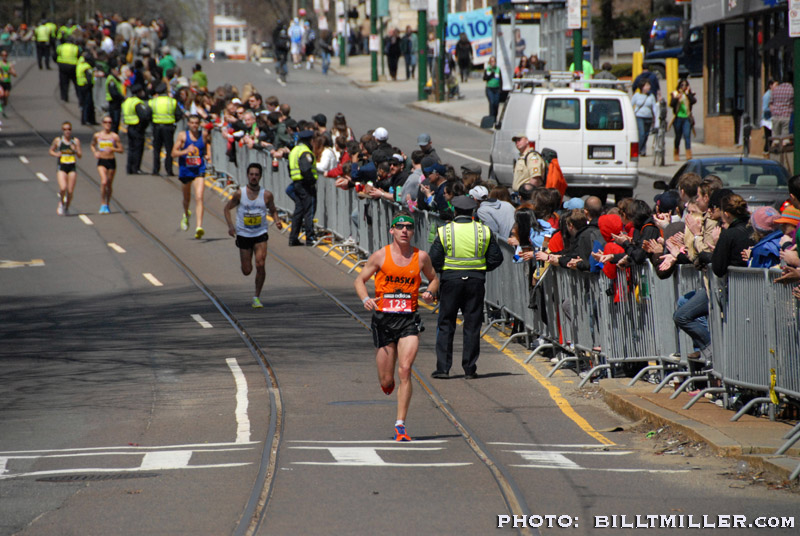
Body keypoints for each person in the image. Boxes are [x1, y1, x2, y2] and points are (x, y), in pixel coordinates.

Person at [354, 211, 439, 441]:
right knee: (387, 380)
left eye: (409, 227)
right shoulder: (380, 256)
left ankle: (400, 425)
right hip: (383, 320)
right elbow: (359, 280)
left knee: (405, 369)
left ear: (413, 232)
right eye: (399, 226)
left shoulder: (420, 257)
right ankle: (387, 384)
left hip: (408, 320)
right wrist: (365, 299)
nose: (404, 230)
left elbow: (434, 277)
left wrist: (430, 292)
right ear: (391, 230)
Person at [430, 195, 503, 379]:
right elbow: (497, 258)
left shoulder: (444, 231)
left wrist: (446, 272)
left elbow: (435, 258)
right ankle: (470, 369)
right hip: (475, 282)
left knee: (446, 323)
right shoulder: (483, 231)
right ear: (473, 212)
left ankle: (443, 369)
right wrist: (479, 269)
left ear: (455, 211)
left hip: (450, 281)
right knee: (472, 324)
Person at [224, 163, 283, 308]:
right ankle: (246, 266)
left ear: (260, 177)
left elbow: (273, 209)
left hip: (260, 233)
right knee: (247, 270)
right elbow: (227, 209)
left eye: (256, 175)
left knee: (260, 264)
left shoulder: (267, 195)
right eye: (251, 174)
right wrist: (231, 227)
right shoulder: (240, 193)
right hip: (244, 234)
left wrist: (277, 221)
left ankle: (257, 296)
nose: (254, 177)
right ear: (247, 175)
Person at [171, 114, 212, 239]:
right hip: (186, 170)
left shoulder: (203, 134)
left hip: (199, 169)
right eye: (192, 123)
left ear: (199, 124)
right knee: (187, 198)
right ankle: (185, 214)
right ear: (188, 124)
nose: (194, 125)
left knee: (199, 197)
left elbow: (208, 144)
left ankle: (199, 227)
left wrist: (208, 154)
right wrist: (185, 151)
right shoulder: (183, 136)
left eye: (196, 123)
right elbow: (173, 153)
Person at [288, 129, 318, 246]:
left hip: (297, 183)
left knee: (299, 211)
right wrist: (311, 181)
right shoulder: (305, 151)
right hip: (305, 184)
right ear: (310, 140)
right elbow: (306, 169)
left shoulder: (294, 150)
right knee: (309, 210)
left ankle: (293, 238)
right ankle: (310, 238)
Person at [90, 116, 123, 214]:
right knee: (104, 181)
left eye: (110, 122)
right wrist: (95, 152)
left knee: (109, 184)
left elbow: (121, 150)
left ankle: (107, 204)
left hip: (111, 161)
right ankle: (103, 203)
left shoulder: (114, 136)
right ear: (102, 123)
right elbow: (92, 145)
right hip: (102, 161)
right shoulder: (97, 135)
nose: (107, 124)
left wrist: (113, 149)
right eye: (105, 122)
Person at [49, 121, 82, 216]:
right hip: (62, 166)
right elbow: (51, 150)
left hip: (71, 166)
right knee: (63, 187)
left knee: (70, 191)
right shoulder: (58, 140)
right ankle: (61, 203)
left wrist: (75, 149)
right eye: (65, 129)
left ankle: (67, 207)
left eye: (69, 129)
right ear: (62, 130)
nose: (67, 131)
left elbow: (80, 155)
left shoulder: (75, 141)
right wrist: (56, 154)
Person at [149, 82, 180, 176]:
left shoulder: (153, 102)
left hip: (157, 127)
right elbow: (179, 114)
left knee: (157, 149)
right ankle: (169, 170)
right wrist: (173, 120)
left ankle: (155, 170)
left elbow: (147, 114)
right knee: (169, 149)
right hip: (168, 127)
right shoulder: (172, 101)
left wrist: (153, 121)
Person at [122, 84, 149, 175]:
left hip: (129, 127)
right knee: (138, 149)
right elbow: (144, 116)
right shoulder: (137, 102)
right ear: (138, 92)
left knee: (131, 149)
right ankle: (136, 168)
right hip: (137, 128)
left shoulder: (127, 101)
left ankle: (129, 168)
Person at [670, 79, 696, 161]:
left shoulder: (689, 94)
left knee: (687, 135)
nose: (683, 87)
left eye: (685, 85)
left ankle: (688, 154)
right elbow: (671, 104)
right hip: (678, 118)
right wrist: (676, 99)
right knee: (678, 136)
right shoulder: (675, 93)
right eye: (682, 85)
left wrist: (688, 94)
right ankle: (676, 152)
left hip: (686, 118)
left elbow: (694, 101)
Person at [632, 81, 659, 157]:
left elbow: (654, 108)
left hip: (649, 117)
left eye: (649, 85)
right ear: (642, 87)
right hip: (639, 116)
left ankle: (643, 150)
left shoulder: (651, 96)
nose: (648, 87)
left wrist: (656, 119)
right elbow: (631, 105)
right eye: (646, 85)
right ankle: (638, 150)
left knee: (646, 135)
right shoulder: (636, 96)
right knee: (642, 134)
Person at [769, 72, 794, 151]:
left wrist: (774, 112)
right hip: (786, 116)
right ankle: (783, 157)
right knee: (785, 140)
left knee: (775, 139)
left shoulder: (776, 89)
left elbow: (771, 103)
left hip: (775, 116)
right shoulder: (792, 89)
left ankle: (775, 155)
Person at [55, 37, 80, 102]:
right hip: (73, 66)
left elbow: (54, 56)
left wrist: (58, 63)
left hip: (63, 66)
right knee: (76, 82)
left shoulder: (60, 47)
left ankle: (64, 97)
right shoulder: (75, 47)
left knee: (63, 82)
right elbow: (79, 56)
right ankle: (79, 96)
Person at [761, 79, 776, 155]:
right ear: (770, 85)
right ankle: (766, 152)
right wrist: (772, 109)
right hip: (767, 121)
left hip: (770, 120)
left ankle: (767, 152)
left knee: (770, 138)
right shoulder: (767, 95)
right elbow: (764, 109)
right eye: (775, 85)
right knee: (768, 138)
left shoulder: (772, 94)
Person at [0, 49, 17, 114]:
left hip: (7, 82)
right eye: (3, 55)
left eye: (6, 55)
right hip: (1, 82)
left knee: (6, 96)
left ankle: (3, 106)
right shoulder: (0, 64)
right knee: (2, 94)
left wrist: (10, 72)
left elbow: (15, 74)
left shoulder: (9, 64)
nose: (4, 56)